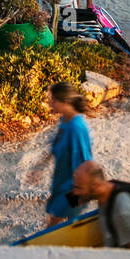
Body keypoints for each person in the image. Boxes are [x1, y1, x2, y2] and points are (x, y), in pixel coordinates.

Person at [27, 83, 93, 226]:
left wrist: (79, 192)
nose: (50, 103)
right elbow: (57, 144)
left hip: (73, 188)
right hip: (61, 181)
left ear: (65, 102)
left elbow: (86, 161)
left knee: (55, 220)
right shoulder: (64, 120)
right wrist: (40, 167)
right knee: (68, 220)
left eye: (53, 100)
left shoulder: (77, 128)